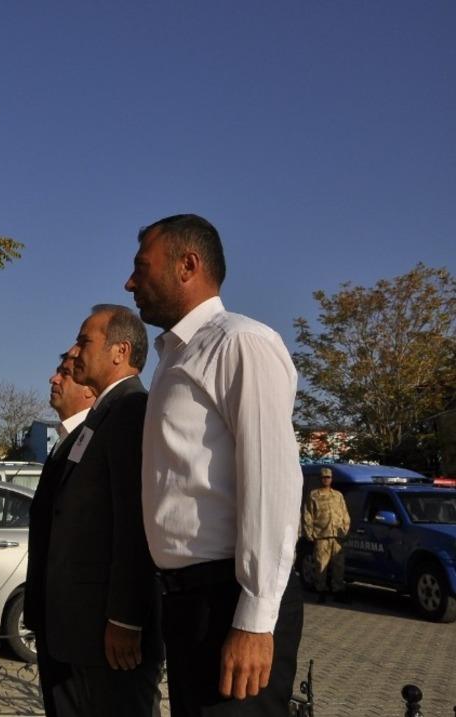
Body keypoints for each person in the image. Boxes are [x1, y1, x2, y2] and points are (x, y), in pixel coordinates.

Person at [126, 214, 304, 716]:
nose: (130, 281)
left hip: (228, 597)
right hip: (188, 603)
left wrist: (254, 617)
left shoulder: (239, 342)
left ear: (188, 265)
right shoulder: (175, 356)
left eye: (142, 266)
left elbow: (271, 480)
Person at [28, 305, 163, 716]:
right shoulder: (100, 417)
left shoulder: (130, 410)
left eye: (85, 341)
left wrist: (125, 618)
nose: (75, 350)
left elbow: (134, 521)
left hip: (106, 634)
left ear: (120, 351)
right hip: (79, 630)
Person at [25, 351, 97, 716]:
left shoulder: (97, 438)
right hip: (55, 620)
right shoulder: (66, 441)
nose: (54, 379)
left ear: (89, 390)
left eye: (66, 373)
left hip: (80, 627)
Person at [302, 467, 351, 603]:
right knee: (321, 565)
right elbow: (308, 514)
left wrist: (345, 529)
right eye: (324, 477)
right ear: (320, 479)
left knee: (339, 565)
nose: (326, 479)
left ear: (331, 479)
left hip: (337, 536)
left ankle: (337, 591)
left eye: (328, 477)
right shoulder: (314, 495)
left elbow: (344, 513)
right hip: (321, 535)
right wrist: (309, 531)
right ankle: (321, 591)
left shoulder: (338, 495)